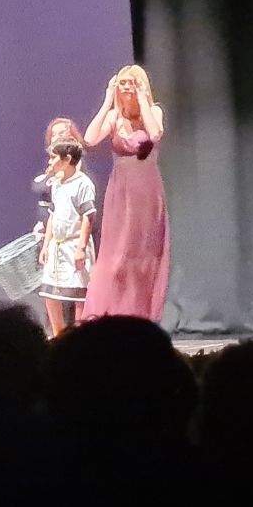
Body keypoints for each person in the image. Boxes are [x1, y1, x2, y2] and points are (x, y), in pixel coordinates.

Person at [82, 64, 170, 322]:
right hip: (121, 193)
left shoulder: (154, 111)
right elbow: (90, 138)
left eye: (133, 82)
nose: (127, 87)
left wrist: (142, 100)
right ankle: (109, 315)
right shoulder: (114, 118)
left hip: (147, 192)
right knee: (117, 256)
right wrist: (108, 101)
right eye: (123, 83)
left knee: (144, 254)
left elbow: (155, 133)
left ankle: (140, 317)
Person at [37, 140, 97, 337]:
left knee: (79, 293)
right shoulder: (57, 184)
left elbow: (88, 216)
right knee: (50, 292)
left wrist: (81, 248)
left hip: (74, 243)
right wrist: (46, 245)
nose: (50, 161)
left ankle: (79, 336)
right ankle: (59, 335)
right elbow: (52, 216)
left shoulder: (83, 184)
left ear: (67, 159)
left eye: (53, 157)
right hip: (57, 245)